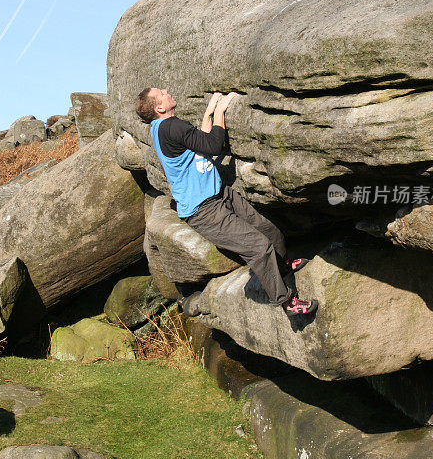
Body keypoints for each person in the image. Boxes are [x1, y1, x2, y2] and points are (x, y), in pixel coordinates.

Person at [135, 87, 318, 318]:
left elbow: (199, 142)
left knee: (269, 230)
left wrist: (209, 112)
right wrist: (221, 110)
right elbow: (213, 146)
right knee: (258, 248)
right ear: (159, 108)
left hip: (219, 193)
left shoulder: (161, 127)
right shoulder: (171, 127)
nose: (167, 90)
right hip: (203, 210)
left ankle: (281, 268)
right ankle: (286, 302)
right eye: (161, 92)